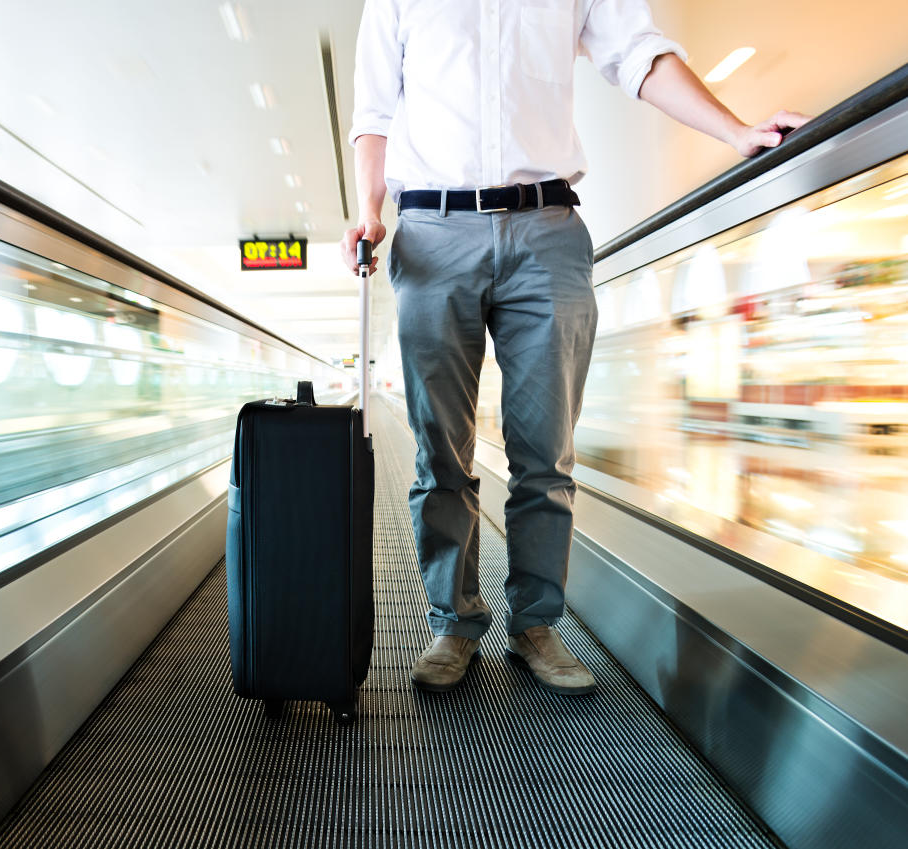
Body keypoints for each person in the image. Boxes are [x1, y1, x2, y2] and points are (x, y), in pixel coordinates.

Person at [341, 0, 807, 696]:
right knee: (441, 449)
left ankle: (535, 625)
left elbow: (638, 56)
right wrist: (370, 213)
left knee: (545, 448)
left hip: (547, 230)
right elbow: (374, 113)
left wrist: (735, 131)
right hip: (433, 233)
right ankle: (453, 621)